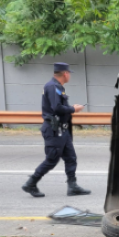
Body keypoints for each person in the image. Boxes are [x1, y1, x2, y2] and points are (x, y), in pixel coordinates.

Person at [21, 63, 90, 198]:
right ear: (65, 74)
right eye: (69, 73)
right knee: (52, 159)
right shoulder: (53, 87)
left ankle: (72, 186)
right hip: (54, 130)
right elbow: (56, 108)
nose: (69, 75)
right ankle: (31, 183)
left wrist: (71, 108)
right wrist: (73, 109)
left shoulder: (57, 87)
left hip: (61, 130)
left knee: (71, 157)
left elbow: (59, 107)